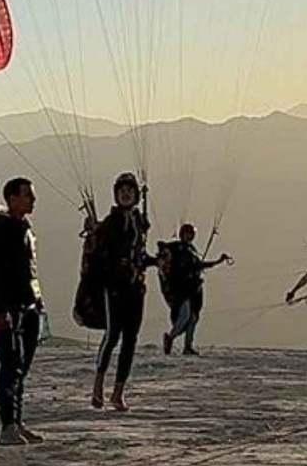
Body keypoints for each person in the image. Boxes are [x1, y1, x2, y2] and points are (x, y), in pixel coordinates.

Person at [0, 177, 45, 446]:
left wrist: (38, 302)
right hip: (11, 308)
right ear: (12, 198)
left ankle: (17, 422)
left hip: (30, 304)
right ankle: (7, 425)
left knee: (22, 366)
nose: (33, 199)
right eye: (27, 195)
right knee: (11, 365)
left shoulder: (24, 228)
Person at [89, 172, 154, 411]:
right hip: (114, 288)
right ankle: (97, 385)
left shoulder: (139, 222)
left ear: (136, 195)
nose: (126, 194)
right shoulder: (111, 223)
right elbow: (101, 257)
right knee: (112, 335)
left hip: (136, 288)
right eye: (122, 191)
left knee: (130, 339)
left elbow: (140, 255)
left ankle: (118, 392)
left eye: (130, 190)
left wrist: (157, 262)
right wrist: (117, 267)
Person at [158, 223, 231, 355]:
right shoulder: (176, 248)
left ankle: (188, 346)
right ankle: (170, 337)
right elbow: (164, 252)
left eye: (191, 234)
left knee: (193, 318)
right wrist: (162, 248)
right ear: (182, 234)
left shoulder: (192, 250)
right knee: (185, 315)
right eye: (187, 234)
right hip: (180, 289)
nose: (190, 236)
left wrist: (218, 261)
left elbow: (198, 265)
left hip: (193, 289)